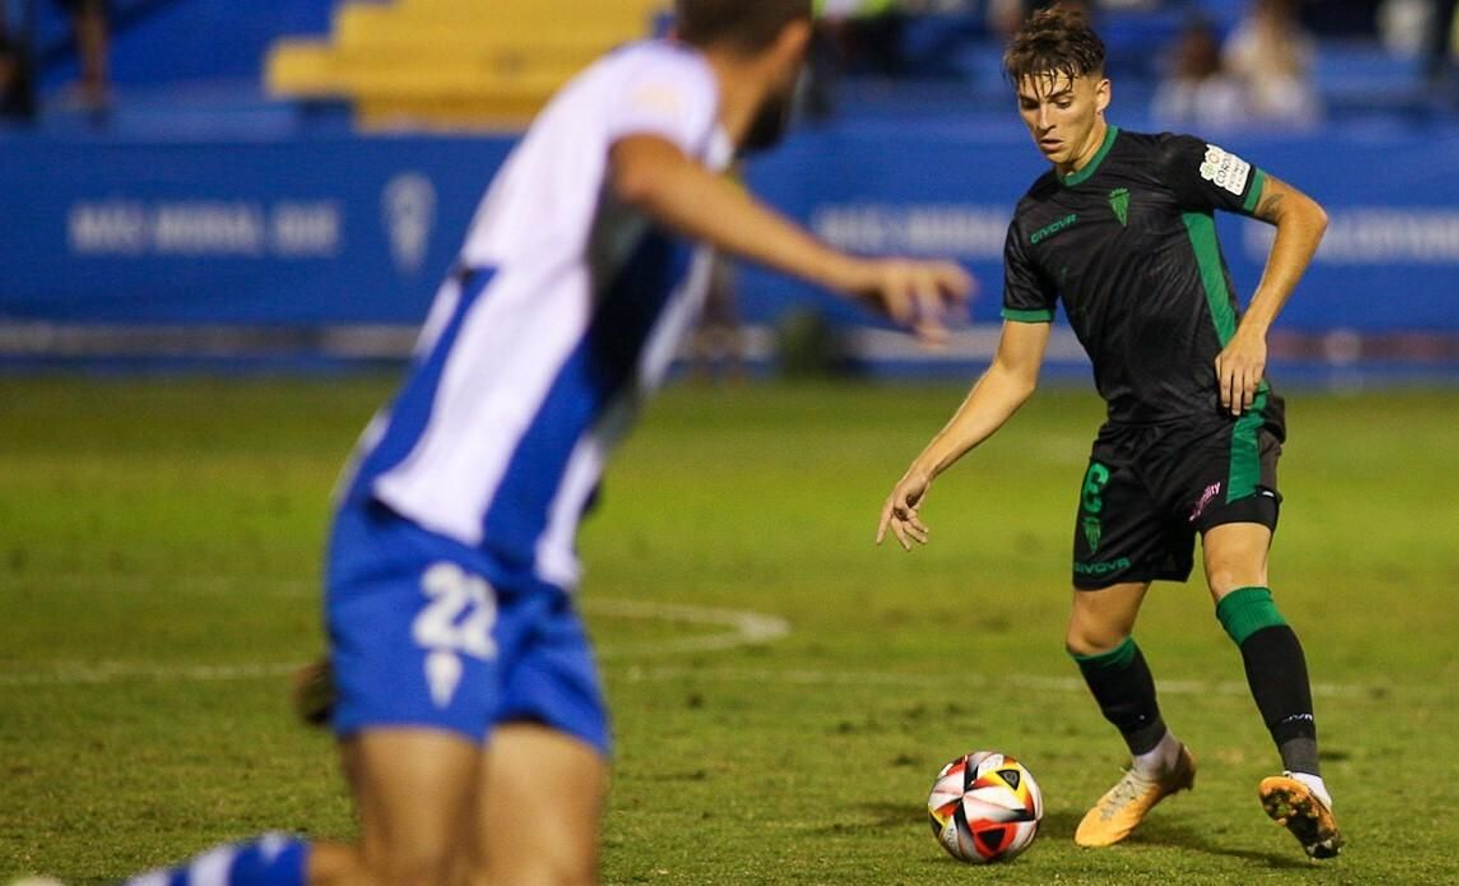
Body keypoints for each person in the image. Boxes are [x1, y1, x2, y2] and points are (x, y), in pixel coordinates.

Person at [121, 2, 971, 884]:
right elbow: (645, 172)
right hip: (433, 528)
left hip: (522, 580)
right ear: (793, 44)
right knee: (408, 870)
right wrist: (851, 272)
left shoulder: (666, 116)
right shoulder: (661, 84)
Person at [876, 8, 1343, 859]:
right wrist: (925, 464)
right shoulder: (1034, 224)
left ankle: (1305, 777)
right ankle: (1157, 759)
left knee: (1235, 582)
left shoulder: (1173, 159)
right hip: (1131, 440)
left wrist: (1253, 331)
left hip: (1220, 415)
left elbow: (1302, 214)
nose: (1045, 121)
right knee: (1091, 636)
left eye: (1060, 100)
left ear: (1101, 91)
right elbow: (1013, 373)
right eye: (1029, 105)